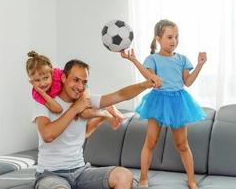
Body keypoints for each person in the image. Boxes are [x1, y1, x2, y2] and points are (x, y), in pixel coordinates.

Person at [32, 58, 156, 189]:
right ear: (63, 77)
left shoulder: (86, 101)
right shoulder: (45, 101)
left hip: (80, 172)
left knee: (123, 176)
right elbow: (47, 135)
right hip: (51, 175)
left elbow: (120, 94)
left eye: (84, 82)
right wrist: (75, 108)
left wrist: (145, 84)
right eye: (75, 80)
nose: (80, 87)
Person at [121, 19, 207, 189]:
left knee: (182, 144)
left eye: (176, 37)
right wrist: (134, 60)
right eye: (169, 37)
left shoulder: (182, 59)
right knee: (151, 141)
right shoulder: (152, 59)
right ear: (158, 39)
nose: (174, 40)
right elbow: (150, 78)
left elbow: (187, 82)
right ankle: (144, 177)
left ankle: (191, 180)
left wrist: (199, 65)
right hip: (159, 101)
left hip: (178, 102)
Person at [26, 51, 123, 130]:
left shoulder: (57, 74)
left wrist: (77, 103)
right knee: (83, 114)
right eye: (37, 80)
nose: (42, 83)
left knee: (84, 113)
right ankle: (104, 112)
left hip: (81, 90)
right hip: (74, 98)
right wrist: (43, 93)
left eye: (46, 78)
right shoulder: (37, 94)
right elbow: (58, 109)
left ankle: (106, 111)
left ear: (51, 72)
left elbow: (77, 84)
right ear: (31, 81)